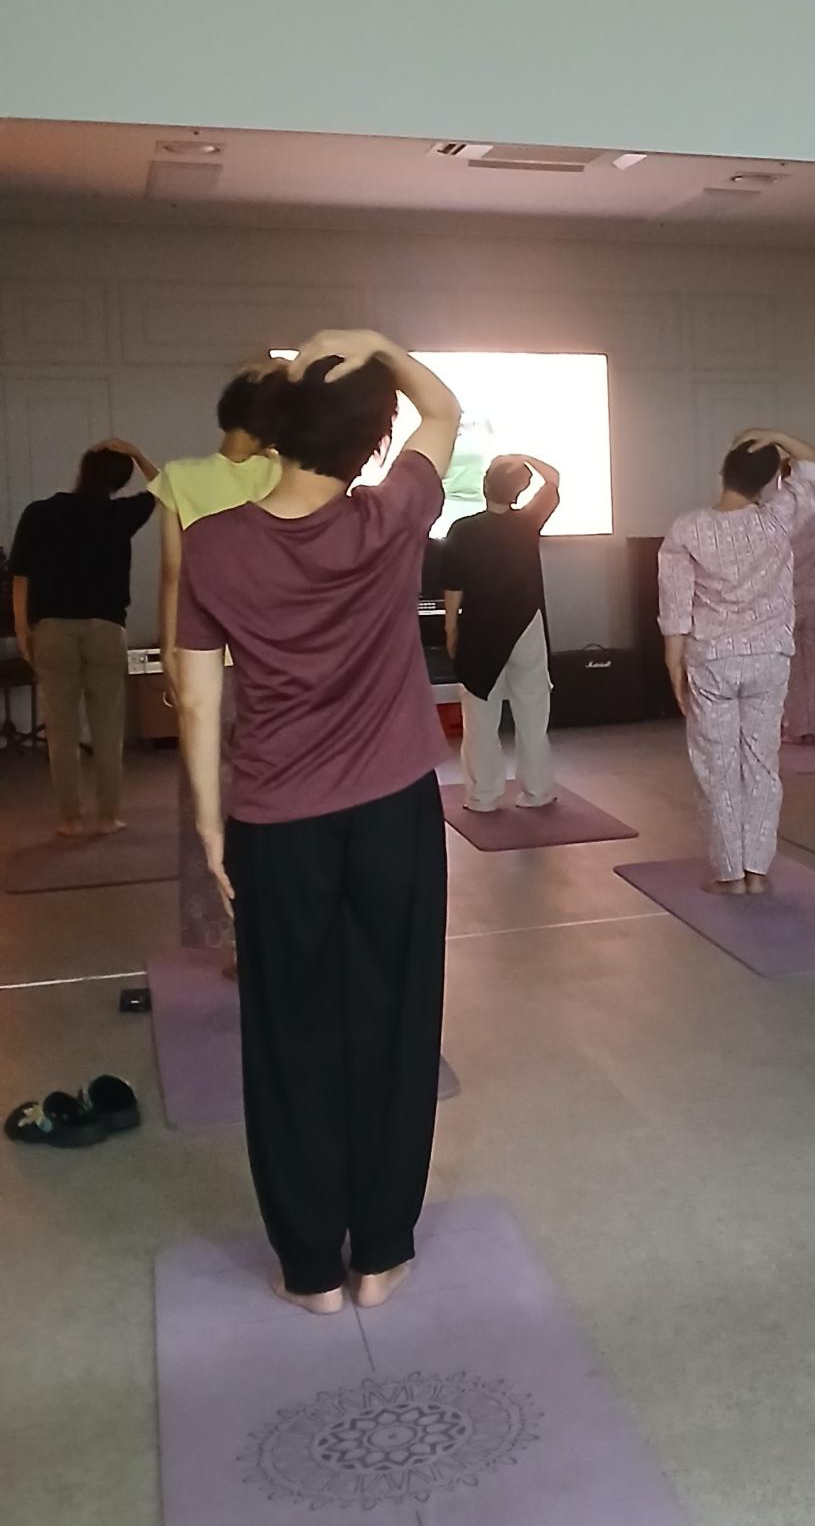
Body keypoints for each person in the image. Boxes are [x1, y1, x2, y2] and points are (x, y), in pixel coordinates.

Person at [174, 330, 459, 1315]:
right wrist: (380, 344)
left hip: (275, 819)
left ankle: (310, 1270)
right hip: (393, 812)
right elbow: (444, 410)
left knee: (287, 1032)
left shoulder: (213, 543)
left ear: (275, 427)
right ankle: (379, 1254)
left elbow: (198, 700)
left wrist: (210, 828)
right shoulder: (393, 513)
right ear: (373, 442)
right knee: (395, 1019)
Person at [659, 430, 815, 895]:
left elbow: (675, 604)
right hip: (769, 657)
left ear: (723, 473)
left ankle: (729, 873)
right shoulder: (779, 519)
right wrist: (774, 435)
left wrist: (674, 663)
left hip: (712, 659)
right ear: (772, 482)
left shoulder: (688, 529)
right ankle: (757, 869)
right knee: (761, 763)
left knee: (716, 766)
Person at [155, 361, 283, 957]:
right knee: (272, 795)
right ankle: (270, 926)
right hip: (271, 658)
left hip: (204, 653)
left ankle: (217, 934)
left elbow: (173, 574)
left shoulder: (179, 477)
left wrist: (169, 653)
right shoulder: (282, 474)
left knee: (203, 797)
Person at [9, 438, 159, 835]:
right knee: (107, 728)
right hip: (107, 629)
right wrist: (137, 453)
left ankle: (70, 819)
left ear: (83, 470)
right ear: (120, 482)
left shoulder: (39, 513)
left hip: (52, 629)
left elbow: (20, 577)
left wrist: (23, 630)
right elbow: (166, 489)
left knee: (61, 730)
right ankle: (108, 816)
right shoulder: (121, 514)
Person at [442, 453, 562, 812]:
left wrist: (450, 627)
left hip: (480, 628)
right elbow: (553, 479)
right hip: (526, 624)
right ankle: (538, 791)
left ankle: (483, 796)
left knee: (480, 716)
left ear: (484, 486)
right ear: (518, 491)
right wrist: (524, 457)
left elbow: (453, 584)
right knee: (533, 714)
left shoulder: (462, 529)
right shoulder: (527, 521)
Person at [782, 472, 815, 746]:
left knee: (789, 665)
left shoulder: (782, 512)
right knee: (814, 664)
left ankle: (792, 725)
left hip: (787, 597)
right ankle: (811, 724)